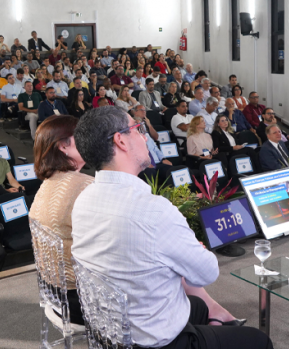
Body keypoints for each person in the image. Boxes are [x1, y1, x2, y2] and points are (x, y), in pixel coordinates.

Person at [70, 106, 272, 349]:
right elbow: (207, 272)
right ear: (120, 140)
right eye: (137, 128)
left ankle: (217, 324)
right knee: (260, 341)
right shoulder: (153, 210)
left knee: (198, 306)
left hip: (112, 330)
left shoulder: (84, 199)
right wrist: (194, 248)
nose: (144, 136)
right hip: (157, 341)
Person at [28, 115, 92, 325]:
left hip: (56, 295)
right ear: (63, 146)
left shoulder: (47, 184)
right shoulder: (85, 187)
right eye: (81, 136)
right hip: (82, 302)